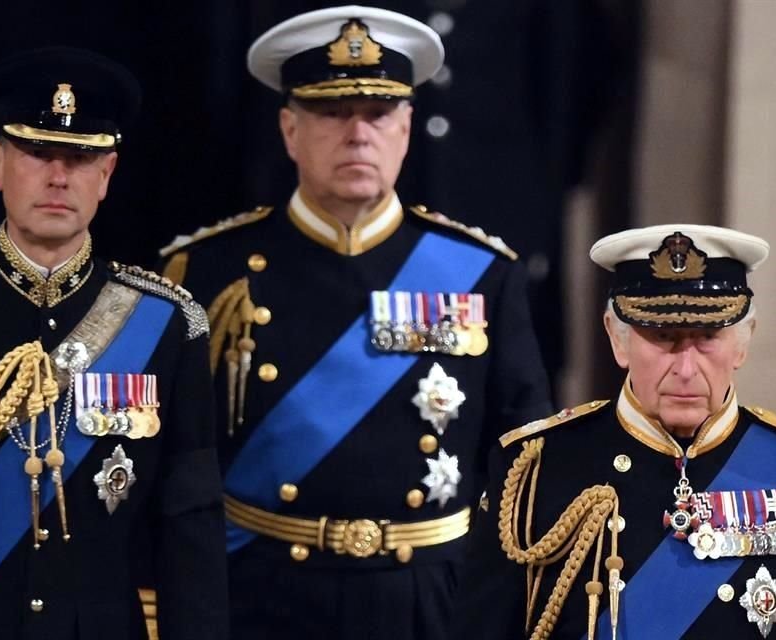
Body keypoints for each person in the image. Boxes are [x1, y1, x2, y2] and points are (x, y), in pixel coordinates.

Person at [156, 6, 551, 639]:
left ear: (407, 127)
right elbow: (177, 472)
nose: (358, 134)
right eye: (333, 113)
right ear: (289, 129)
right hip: (261, 597)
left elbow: (525, 470)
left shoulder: (480, 275)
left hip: (429, 602)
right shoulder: (206, 273)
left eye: (378, 113)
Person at [0, 46, 228, 640]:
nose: (59, 177)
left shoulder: (167, 323)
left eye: (81, 158)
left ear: (106, 175)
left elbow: (191, 529)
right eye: (36, 153)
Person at [457, 224, 776, 639]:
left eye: (706, 338)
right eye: (663, 337)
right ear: (617, 338)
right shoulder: (535, 470)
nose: (685, 369)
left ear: (742, 342)